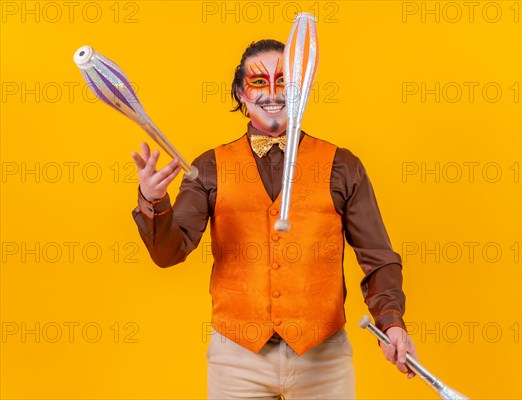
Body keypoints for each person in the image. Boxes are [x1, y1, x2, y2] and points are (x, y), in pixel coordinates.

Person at [131, 39, 417, 399]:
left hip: (323, 356)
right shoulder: (208, 167)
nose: (273, 94)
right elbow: (169, 253)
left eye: (284, 82)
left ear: (304, 89)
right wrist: (153, 201)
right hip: (236, 358)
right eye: (259, 82)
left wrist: (391, 323)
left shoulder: (343, 165)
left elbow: (378, 257)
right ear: (241, 92)